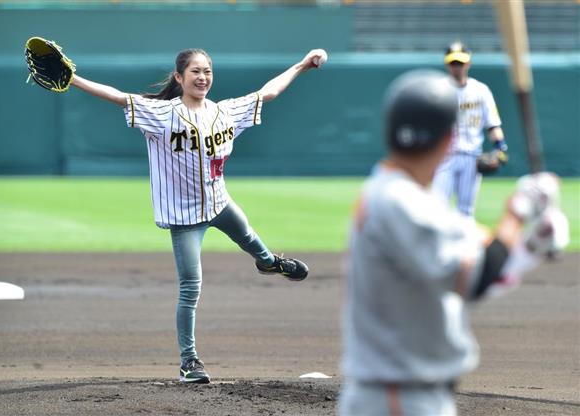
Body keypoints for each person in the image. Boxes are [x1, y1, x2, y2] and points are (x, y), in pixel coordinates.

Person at [70, 48, 329, 384]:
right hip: (183, 217)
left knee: (249, 237)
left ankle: (267, 263)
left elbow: (270, 92)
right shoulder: (162, 114)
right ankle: (189, 362)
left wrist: (301, 66)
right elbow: (118, 97)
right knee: (191, 288)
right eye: (195, 71)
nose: (202, 77)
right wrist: (72, 78)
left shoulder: (225, 112)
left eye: (207, 71)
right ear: (179, 77)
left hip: (219, 203)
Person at [338, 69, 568, 416]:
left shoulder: (398, 194)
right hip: (399, 400)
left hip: (401, 396)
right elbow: (481, 274)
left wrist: (531, 246)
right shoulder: (402, 202)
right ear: (449, 140)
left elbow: (474, 272)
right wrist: (519, 210)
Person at [432, 41, 509, 217]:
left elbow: (493, 124)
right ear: (447, 64)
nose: (457, 67)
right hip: (444, 157)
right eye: (453, 63)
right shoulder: (438, 90)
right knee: (436, 207)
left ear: (468, 63)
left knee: (465, 211)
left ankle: (464, 245)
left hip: (471, 157)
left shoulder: (481, 91)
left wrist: (501, 148)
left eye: (460, 62)